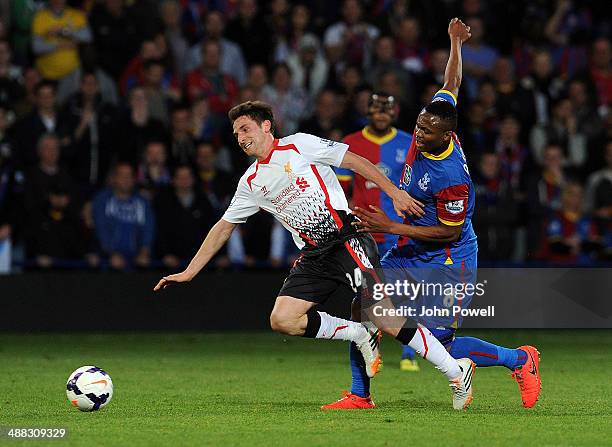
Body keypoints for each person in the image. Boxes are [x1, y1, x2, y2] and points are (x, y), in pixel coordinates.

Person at [154, 99, 476, 411]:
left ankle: (454, 370)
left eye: (245, 129)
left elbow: (355, 161)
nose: (240, 138)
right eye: (236, 133)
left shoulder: (299, 145)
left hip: (347, 239)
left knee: (385, 317)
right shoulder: (250, 182)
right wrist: (189, 272)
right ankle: (360, 334)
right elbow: (223, 227)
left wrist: (395, 193)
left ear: (266, 126)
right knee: (283, 319)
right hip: (314, 255)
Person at [323, 18, 541, 411]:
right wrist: (455, 43)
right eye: (419, 125)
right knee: (364, 303)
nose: (418, 134)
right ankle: (360, 394)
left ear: (447, 135)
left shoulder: (451, 176)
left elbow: (447, 233)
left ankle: (520, 359)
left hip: (448, 257)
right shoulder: (439, 116)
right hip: (411, 245)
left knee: (440, 344)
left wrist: (391, 225)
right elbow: (452, 83)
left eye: (426, 132)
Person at [335, 91, 419, 371]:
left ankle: (409, 353)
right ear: (367, 111)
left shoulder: (408, 143)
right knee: (366, 296)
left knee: (403, 293)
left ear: (395, 113)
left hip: (397, 231)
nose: (381, 113)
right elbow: (340, 191)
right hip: (363, 232)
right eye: (376, 108)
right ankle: (372, 349)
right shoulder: (351, 143)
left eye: (387, 109)